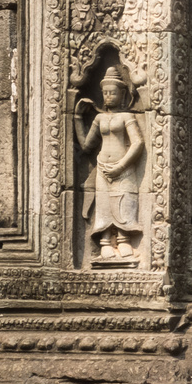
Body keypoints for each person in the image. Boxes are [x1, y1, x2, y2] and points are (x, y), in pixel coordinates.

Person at [74, 67, 144, 260]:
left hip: (123, 167)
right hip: (103, 167)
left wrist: (121, 166)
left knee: (124, 202)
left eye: (112, 93)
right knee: (104, 204)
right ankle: (105, 242)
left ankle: (123, 239)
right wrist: (78, 117)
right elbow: (86, 146)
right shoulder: (99, 118)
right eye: (105, 93)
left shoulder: (127, 117)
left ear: (122, 94)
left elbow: (138, 142)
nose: (108, 96)